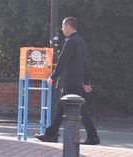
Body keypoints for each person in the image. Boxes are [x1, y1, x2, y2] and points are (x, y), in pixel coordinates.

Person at [35, 17, 100, 145]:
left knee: (78, 110)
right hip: (76, 81)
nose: (62, 29)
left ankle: (92, 136)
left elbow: (62, 61)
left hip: (70, 81)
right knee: (62, 108)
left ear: (69, 27)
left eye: (63, 26)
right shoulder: (81, 41)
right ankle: (51, 133)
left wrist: (52, 76)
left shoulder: (71, 41)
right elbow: (85, 64)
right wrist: (86, 82)